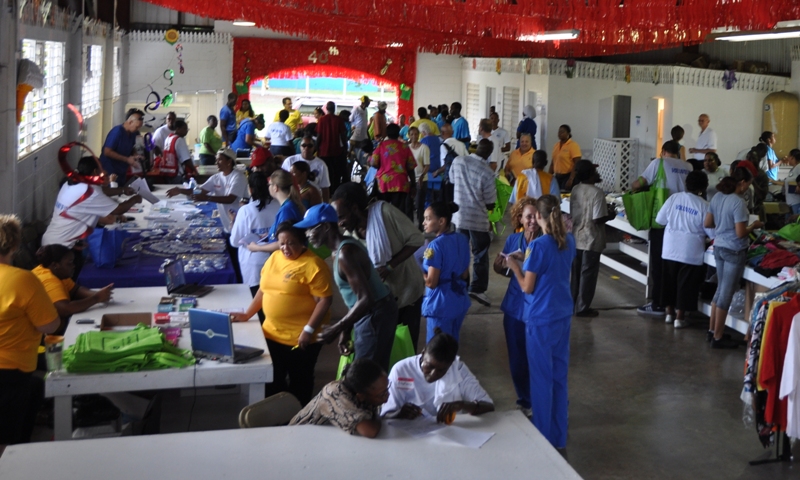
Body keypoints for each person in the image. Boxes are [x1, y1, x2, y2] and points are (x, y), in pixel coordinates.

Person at [504, 194, 576, 449]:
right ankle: (558, 436)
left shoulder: (538, 247)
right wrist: (528, 261)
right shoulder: (568, 241)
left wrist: (514, 264)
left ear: (540, 217)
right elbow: (553, 270)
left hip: (541, 318)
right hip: (562, 315)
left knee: (541, 379)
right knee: (558, 376)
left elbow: (527, 286)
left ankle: (542, 437)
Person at [232, 223, 332, 405]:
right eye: (282, 243)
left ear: (303, 243)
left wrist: (308, 330)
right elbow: (263, 290)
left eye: (291, 243)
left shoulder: (314, 265)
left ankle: (299, 419)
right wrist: (247, 314)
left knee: (299, 382)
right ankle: (276, 419)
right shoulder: (274, 258)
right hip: (271, 333)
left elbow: (324, 301)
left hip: (300, 339)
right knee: (272, 381)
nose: (285, 248)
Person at [302, 203, 398, 371]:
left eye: (310, 229)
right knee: (371, 370)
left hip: (375, 314)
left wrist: (336, 328)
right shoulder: (340, 248)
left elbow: (366, 299)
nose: (307, 235)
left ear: (325, 227)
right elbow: (356, 297)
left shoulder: (346, 253)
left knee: (365, 374)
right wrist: (346, 331)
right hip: (374, 312)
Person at [331, 183, 425, 351]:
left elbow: (416, 239)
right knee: (385, 351)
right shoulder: (349, 239)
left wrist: (390, 266)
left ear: (354, 208)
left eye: (342, 217)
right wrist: (346, 329)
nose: (340, 223)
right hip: (382, 303)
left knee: (406, 348)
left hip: (407, 292)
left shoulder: (385, 214)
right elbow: (355, 291)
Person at [0, 214, 60, 445]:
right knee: (8, 438)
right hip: (10, 370)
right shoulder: (22, 280)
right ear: (14, 245)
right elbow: (49, 325)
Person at [42, 156, 142, 279]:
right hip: (62, 250)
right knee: (70, 286)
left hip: (51, 241)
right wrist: (135, 199)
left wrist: (122, 190)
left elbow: (102, 191)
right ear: (95, 172)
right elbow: (118, 209)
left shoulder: (72, 183)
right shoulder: (90, 191)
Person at [705, 167, 763, 348]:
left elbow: (708, 223)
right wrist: (754, 225)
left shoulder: (718, 197)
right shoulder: (738, 203)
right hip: (734, 250)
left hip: (719, 247)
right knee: (726, 294)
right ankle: (718, 337)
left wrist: (722, 224)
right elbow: (740, 233)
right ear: (743, 183)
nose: (748, 188)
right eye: (748, 184)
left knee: (720, 289)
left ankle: (712, 330)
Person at [632, 140, 691, 318]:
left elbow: (638, 183)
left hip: (662, 220)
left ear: (663, 151)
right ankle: (675, 305)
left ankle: (659, 303)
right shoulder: (688, 166)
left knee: (658, 264)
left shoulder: (659, 163)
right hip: (683, 222)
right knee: (677, 265)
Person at [381, 329, 494, 422]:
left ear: (451, 364)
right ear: (423, 352)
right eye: (429, 366)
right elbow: (385, 415)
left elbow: (489, 406)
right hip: (410, 436)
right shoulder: (402, 370)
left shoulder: (457, 369)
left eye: (441, 370)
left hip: (447, 433)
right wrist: (399, 413)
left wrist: (461, 405)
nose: (433, 374)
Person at [493, 197, 539, 417]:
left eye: (535, 216)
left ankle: (539, 398)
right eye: (528, 216)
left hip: (536, 307)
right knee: (517, 357)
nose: (532, 221)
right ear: (519, 218)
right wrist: (500, 265)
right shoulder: (513, 240)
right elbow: (502, 269)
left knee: (536, 356)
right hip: (514, 307)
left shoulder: (544, 243)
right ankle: (525, 399)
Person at [655, 171, 710, 329]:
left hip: (670, 247)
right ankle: (680, 317)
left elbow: (660, 219)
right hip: (690, 250)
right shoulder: (704, 205)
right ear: (703, 187)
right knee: (686, 284)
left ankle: (668, 313)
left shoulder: (674, 198)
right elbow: (711, 232)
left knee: (669, 282)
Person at [289, 358, 389, 438]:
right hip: (298, 438)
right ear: (361, 396)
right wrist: (381, 416)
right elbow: (370, 431)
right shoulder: (335, 395)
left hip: (328, 439)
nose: (387, 396)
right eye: (382, 394)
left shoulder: (360, 389)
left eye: (387, 389)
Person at [450, 139, 497, 307]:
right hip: (478, 220)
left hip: (459, 217)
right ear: (489, 153)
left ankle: (461, 287)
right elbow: (491, 202)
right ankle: (477, 288)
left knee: (460, 254)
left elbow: (452, 180)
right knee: (480, 254)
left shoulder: (458, 161)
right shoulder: (488, 172)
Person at [32, 244, 113, 334]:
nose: (73, 266)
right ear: (55, 265)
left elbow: (75, 290)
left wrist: (98, 294)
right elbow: (65, 309)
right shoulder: (48, 279)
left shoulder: (56, 272)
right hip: (43, 334)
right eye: (69, 263)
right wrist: (96, 298)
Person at [229, 171, 280, 308]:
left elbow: (234, 242)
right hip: (277, 261)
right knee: (274, 302)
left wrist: (233, 222)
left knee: (257, 306)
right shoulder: (279, 206)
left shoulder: (245, 210)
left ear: (250, 189)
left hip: (253, 265)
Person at [570, 160, 614, 317]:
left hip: (576, 238)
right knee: (588, 274)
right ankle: (582, 308)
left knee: (575, 274)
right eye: (594, 171)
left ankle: (572, 304)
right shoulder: (597, 193)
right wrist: (610, 215)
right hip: (591, 238)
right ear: (589, 174)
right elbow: (597, 219)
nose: (597, 174)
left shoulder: (575, 189)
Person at [422, 202, 471, 342]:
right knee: (451, 347)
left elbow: (431, 283)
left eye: (428, 218)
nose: (424, 222)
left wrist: (419, 271)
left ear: (442, 221)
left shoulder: (435, 246)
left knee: (436, 350)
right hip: (459, 300)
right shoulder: (462, 239)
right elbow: (464, 274)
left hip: (440, 305)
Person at [167, 148, 247, 231]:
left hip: (240, 222)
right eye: (216, 160)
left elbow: (230, 199)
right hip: (228, 223)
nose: (216, 163)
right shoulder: (216, 178)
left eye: (220, 160)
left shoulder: (238, 177)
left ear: (229, 162)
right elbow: (199, 191)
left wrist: (207, 198)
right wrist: (180, 190)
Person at [247, 168, 305, 254]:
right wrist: (269, 234)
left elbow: (282, 244)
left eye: (269, 185)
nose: (268, 187)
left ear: (275, 188)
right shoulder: (287, 206)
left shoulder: (286, 210)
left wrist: (257, 247)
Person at [370, 123, 417, 219]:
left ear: (387, 134)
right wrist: (413, 184)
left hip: (384, 184)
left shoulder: (381, 146)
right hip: (400, 183)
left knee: (383, 210)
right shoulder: (405, 147)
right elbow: (411, 168)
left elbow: (373, 163)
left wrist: (382, 165)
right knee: (399, 212)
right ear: (398, 133)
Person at [281, 135, 332, 203]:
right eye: (304, 145)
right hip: (292, 198)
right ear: (300, 147)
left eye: (310, 146)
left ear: (314, 148)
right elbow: (282, 181)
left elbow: (325, 188)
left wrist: (325, 206)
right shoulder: (289, 161)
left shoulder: (321, 165)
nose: (306, 148)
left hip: (313, 199)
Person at [99, 108, 143, 184]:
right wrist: (127, 159)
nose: (138, 129)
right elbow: (107, 151)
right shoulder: (117, 132)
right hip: (110, 170)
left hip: (122, 170)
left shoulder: (134, 133)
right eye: (137, 127)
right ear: (130, 122)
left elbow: (132, 146)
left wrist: (136, 155)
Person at [317, 101, 349, 195]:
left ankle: (327, 191)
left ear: (326, 108)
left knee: (326, 172)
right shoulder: (339, 120)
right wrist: (345, 147)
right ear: (334, 108)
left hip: (324, 151)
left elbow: (319, 136)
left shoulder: (322, 119)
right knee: (336, 172)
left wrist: (316, 148)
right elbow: (343, 135)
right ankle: (335, 191)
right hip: (336, 150)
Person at [408, 126, 430, 229]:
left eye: (416, 134)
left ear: (419, 135)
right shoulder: (407, 148)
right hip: (408, 180)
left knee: (419, 205)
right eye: (412, 134)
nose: (414, 136)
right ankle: (410, 227)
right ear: (409, 136)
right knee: (408, 205)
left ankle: (421, 227)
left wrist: (421, 177)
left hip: (421, 180)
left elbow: (427, 165)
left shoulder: (424, 148)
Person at [159, 119, 195, 184]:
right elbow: (186, 160)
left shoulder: (168, 138)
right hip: (177, 174)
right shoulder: (180, 140)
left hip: (167, 172)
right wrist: (194, 170)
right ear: (178, 129)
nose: (186, 131)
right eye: (185, 129)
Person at [549, 124, 581, 191]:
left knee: (565, 195)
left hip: (568, 176)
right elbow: (553, 162)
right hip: (557, 176)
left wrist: (571, 179)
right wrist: (548, 177)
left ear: (568, 133)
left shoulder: (573, 145)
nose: (560, 133)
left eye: (562, 132)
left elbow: (577, 163)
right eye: (559, 132)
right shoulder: (556, 145)